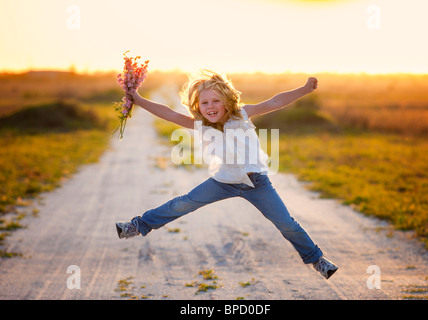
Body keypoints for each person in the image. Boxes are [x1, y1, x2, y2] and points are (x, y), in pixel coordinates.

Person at [115, 70, 338, 279]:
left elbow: (275, 102)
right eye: (204, 103)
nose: (210, 107)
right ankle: (137, 226)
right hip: (224, 181)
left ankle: (317, 260)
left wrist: (305, 89)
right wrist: (138, 99)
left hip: (257, 183)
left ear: (227, 101)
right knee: (182, 204)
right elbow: (169, 113)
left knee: (286, 223)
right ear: (198, 106)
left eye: (216, 101)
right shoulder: (200, 124)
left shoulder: (242, 114)